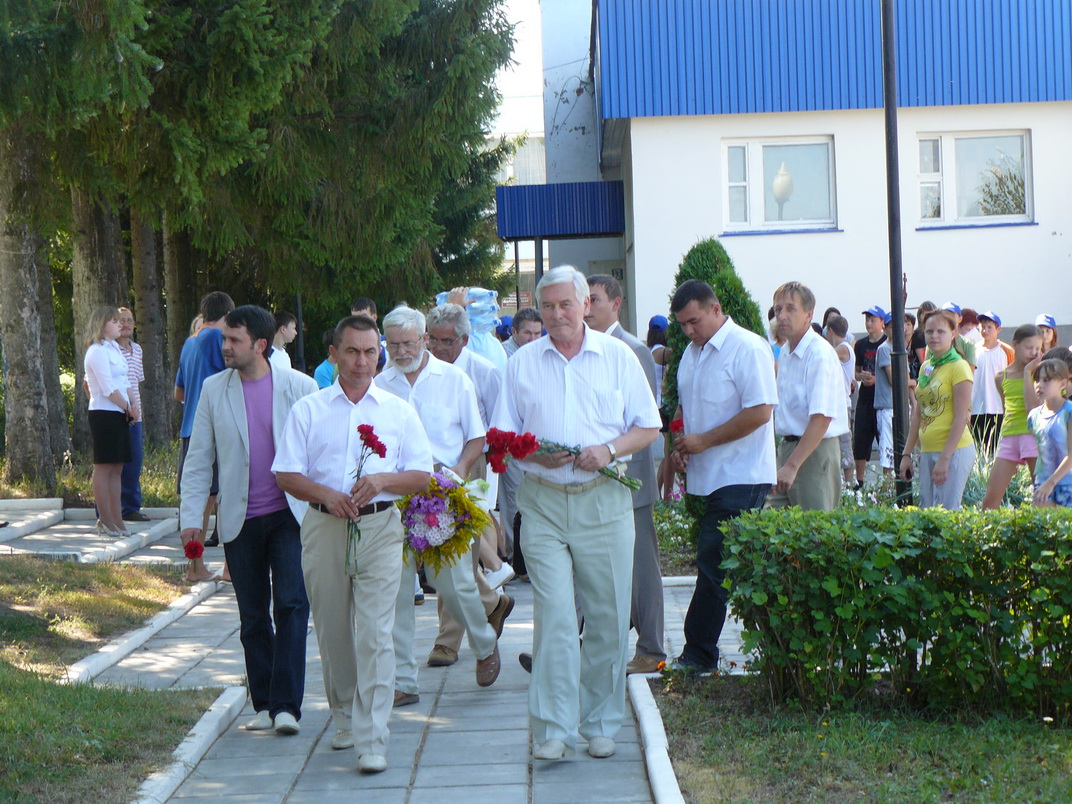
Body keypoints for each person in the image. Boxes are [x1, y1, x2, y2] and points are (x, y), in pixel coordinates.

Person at [492, 265, 660, 761]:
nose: (557, 315)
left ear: (586, 304)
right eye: (548, 306)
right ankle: (552, 729)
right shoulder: (522, 362)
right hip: (542, 501)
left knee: (607, 616)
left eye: (566, 304)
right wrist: (531, 455)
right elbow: (503, 437)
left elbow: (647, 426)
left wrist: (609, 450)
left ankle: (601, 721)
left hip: (604, 499)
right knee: (557, 618)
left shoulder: (618, 357)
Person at [273, 314, 432, 774]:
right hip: (324, 528)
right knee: (334, 632)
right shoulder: (310, 409)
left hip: (381, 528)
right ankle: (343, 715)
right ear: (333, 355)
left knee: (377, 634)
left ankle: (372, 735)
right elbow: (286, 472)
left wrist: (382, 479)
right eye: (352, 352)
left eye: (370, 352)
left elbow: (421, 474)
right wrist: (325, 495)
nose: (363, 362)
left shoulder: (397, 411)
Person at [180, 306, 316, 736]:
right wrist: (192, 520)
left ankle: (287, 706)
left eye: (233, 341)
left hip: (290, 515)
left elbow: (321, 451)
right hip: (240, 519)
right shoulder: (213, 389)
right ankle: (264, 703)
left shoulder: (300, 386)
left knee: (292, 604)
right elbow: (199, 459)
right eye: (224, 340)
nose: (225, 348)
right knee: (253, 616)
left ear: (259, 344)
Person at [377, 305, 507, 695]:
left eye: (408, 343)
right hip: (395, 499)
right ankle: (403, 681)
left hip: (444, 498)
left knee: (453, 584)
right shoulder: (380, 386)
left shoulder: (454, 379)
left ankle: (484, 644)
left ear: (424, 340)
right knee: (397, 590)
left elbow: (476, 437)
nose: (401, 352)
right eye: (393, 344)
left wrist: (459, 472)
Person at [668, 279, 776, 675]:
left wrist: (703, 442)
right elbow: (685, 407)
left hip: (742, 473)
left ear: (716, 309)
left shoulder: (747, 347)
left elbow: (761, 411)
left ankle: (698, 654)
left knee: (713, 560)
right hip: (708, 474)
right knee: (731, 563)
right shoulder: (691, 354)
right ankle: (771, 639)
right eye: (682, 325)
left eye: (693, 321)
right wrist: (681, 449)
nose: (688, 332)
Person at [418, 303, 515, 669]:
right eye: (434, 340)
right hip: (427, 468)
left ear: (464, 339)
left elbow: (498, 422)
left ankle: (448, 640)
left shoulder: (483, 372)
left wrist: (489, 474)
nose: (439, 348)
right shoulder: (421, 370)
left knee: (456, 551)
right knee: (437, 550)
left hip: (470, 463)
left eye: (447, 341)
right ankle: (491, 601)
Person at [586, 274, 666, 676]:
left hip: (627, 479)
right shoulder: (582, 349)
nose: (587, 308)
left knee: (641, 569)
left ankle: (651, 648)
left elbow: (645, 421)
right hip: (588, 482)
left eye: (594, 300)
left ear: (616, 304)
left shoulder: (634, 351)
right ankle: (584, 648)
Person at [769, 282, 850, 511]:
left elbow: (821, 417)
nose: (782, 315)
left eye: (790, 309)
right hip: (788, 448)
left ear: (809, 314)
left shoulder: (819, 354)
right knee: (774, 529)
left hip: (815, 452)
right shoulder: (785, 352)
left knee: (814, 534)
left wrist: (793, 465)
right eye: (777, 310)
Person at [175, 291, 234, 576]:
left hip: (189, 426)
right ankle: (211, 567)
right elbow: (232, 374)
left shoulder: (190, 341)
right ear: (227, 316)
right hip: (211, 429)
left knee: (201, 501)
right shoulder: (214, 338)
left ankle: (196, 564)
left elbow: (180, 391)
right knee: (217, 498)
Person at [899, 309, 975, 509]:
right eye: (929, 331)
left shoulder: (959, 367)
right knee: (927, 512)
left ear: (953, 334)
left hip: (953, 451)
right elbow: (918, 413)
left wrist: (944, 459)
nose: (934, 336)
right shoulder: (927, 367)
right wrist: (906, 454)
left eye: (940, 331)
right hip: (927, 449)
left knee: (947, 514)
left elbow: (961, 417)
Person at [83, 305, 136, 537]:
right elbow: (107, 388)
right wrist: (127, 407)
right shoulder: (96, 351)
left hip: (120, 412)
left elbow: (125, 382)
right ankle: (104, 519)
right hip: (104, 414)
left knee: (117, 467)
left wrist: (132, 406)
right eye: (115, 321)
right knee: (104, 467)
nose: (120, 325)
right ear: (102, 324)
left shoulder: (115, 349)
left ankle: (118, 520)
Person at [981, 324, 1044, 509]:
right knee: (989, 501)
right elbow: (1004, 409)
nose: (1034, 352)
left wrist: (1027, 374)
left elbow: (1033, 409)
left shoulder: (1041, 375)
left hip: (1033, 436)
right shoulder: (1001, 376)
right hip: (1010, 438)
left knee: (1042, 498)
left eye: (1038, 348)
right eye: (1029, 347)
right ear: (1015, 345)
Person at [116, 307, 148, 521]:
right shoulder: (108, 350)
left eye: (130, 320)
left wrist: (136, 408)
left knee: (134, 461)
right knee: (115, 464)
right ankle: (112, 508)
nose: (126, 324)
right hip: (115, 413)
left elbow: (136, 382)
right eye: (122, 321)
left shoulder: (137, 350)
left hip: (136, 415)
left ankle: (130, 507)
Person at [1028, 359, 1072, 508]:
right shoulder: (1034, 415)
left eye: (1046, 380)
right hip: (1043, 482)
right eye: (1037, 379)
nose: (1039, 384)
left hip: (1068, 484)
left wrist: (1051, 483)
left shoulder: (1069, 412)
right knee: (1041, 528)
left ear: (1063, 384)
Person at [853, 305, 888, 487]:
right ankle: (859, 481)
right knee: (860, 438)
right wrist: (862, 377)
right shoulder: (861, 345)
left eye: (872, 319)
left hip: (881, 398)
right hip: (865, 398)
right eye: (867, 319)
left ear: (882, 322)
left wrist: (876, 379)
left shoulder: (887, 344)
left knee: (883, 439)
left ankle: (885, 482)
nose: (868, 323)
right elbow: (856, 372)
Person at [971, 311, 1012, 454]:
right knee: (978, 451)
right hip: (976, 408)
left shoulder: (1007, 351)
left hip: (998, 409)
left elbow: (1012, 378)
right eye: (982, 327)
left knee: (996, 450)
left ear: (998, 329)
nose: (985, 330)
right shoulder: (973, 350)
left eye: (989, 327)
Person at [824, 314, 856, 487]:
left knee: (844, 444)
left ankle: (850, 483)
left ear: (831, 331)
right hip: (838, 403)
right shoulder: (846, 347)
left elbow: (824, 357)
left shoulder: (843, 348)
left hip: (842, 404)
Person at [874, 314, 897, 476]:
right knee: (888, 453)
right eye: (890, 326)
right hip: (887, 406)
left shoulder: (900, 349)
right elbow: (893, 380)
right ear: (885, 328)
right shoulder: (884, 349)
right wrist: (912, 382)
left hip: (899, 406)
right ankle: (887, 492)